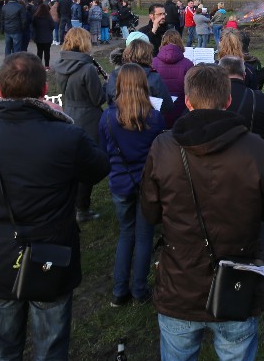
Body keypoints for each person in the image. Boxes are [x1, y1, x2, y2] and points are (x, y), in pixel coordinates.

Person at [0, 52, 110, 361]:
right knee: (48, 358)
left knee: (3, 355)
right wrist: (62, 119)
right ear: (44, 92)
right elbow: (98, 166)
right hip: (49, 256)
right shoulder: (65, 134)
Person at [139, 64, 264, 361]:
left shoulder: (165, 148)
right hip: (223, 279)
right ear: (228, 100)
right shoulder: (253, 149)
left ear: (188, 101)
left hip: (191, 282)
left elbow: (150, 212)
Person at [99, 63, 166, 307]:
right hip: (146, 183)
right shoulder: (154, 118)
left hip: (120, 183)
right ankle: (138, 289)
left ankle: (120, 291)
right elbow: (160, 152)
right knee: (144, 236)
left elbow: (103, 150)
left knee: (127, 233)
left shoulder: (107, 117)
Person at [52, 27, 108, 224]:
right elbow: (98, 99)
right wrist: (107, 84)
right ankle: (82, 208)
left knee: (72, 163)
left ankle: (70, 204)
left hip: (68, 113)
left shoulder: (59, 64)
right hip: (89, 118)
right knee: (87, 164)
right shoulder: (87, 68)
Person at [105, 37, 173, 117]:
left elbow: (110, 99)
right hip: (147, 119)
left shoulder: (115, 75)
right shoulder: (154, 78)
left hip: (119, 118)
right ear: (148, 55)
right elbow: (166, 106)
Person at [152, 29, 194, 121]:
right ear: (180, 41)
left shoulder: (153, 62)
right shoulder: (188, 64)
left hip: (158, 111)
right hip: (181, 111)